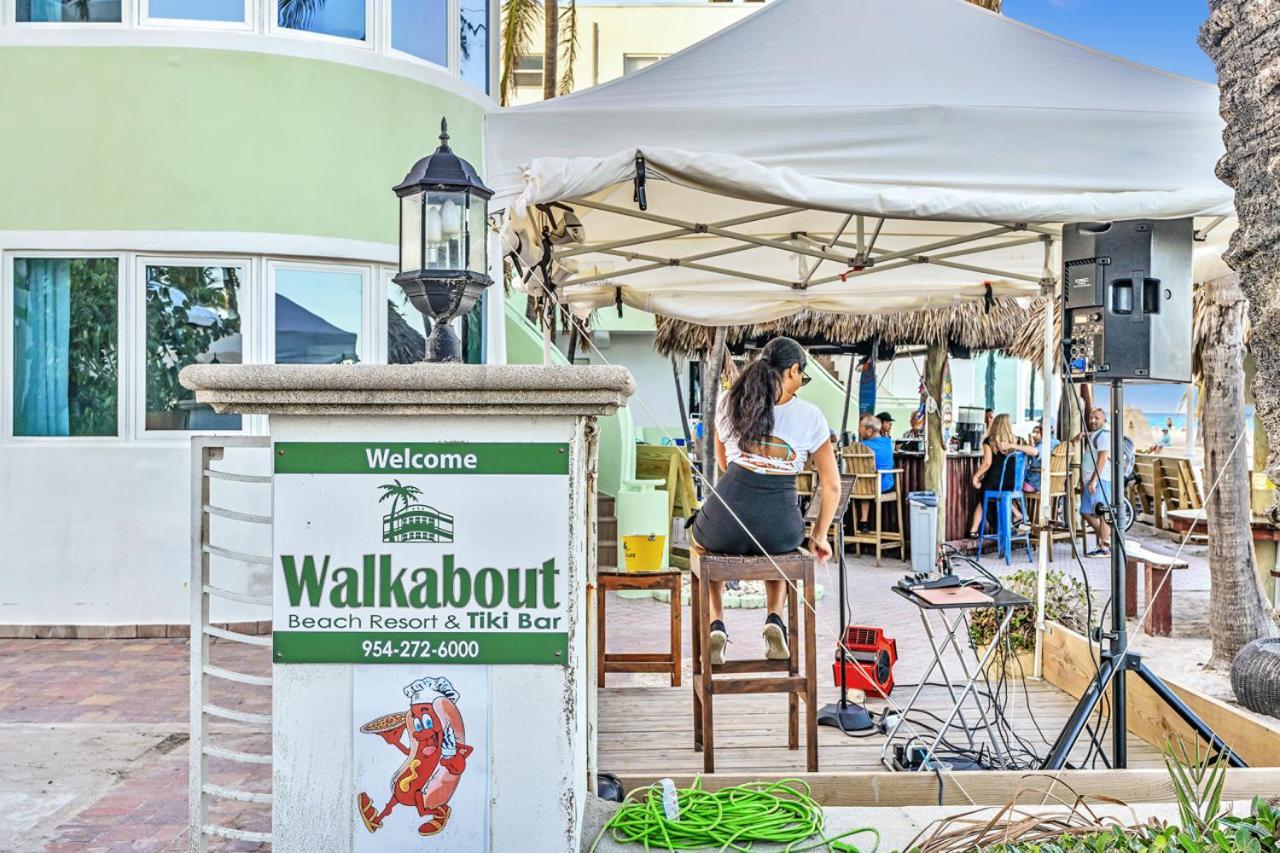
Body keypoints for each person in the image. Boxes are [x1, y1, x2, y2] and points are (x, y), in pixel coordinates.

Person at [692, 337, 841, 666]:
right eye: (803, 376)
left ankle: (716, 623)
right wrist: (819, 536)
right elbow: (831, 486)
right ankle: (774, 618)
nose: (802, 383)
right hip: (779, 527)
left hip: (726, 515)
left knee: (701, 544)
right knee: (780, 551)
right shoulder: (811, 415)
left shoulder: (729, 401)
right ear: (792, 370)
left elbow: (723, 464)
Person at [968, 414, 1038, 537]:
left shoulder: (989, 441)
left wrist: (976, 477)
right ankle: (1015, 516)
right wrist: (1013, 445)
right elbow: (1034, 451)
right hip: (1013, 483)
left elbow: (987, 463)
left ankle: (976, 530)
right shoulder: (1018, 440)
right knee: (993, 495)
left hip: (995, 482)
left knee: (983, 494)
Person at [854, 414, 896, 533]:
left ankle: (858, 523)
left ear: (869, 431)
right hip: (885, 485)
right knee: (866, 483)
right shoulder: (888, 443)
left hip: (866, 487)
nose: (858, 430)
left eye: (860, 428)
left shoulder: (861, 446)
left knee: (861, 484)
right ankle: (864, 521)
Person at [1080, 406, 1113, 556]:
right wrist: (1082, 435)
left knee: (1102, 512)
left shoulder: (1104, 435)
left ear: (1104, 420)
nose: (1092, 420)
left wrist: (1094, 480)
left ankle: (1105, 547)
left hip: (1100, 479)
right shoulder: (1096, 434)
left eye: (1096, 418)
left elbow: (1103, 458)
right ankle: (1106, 540)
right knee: (1086, 511)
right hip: (1090, 481)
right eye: (1091, 418)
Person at [1023, 424, 1060, 494]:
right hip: (1055, 481)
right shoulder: (1056, 441)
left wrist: (1032, 445)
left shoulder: (1044, 444)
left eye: (1037, 432)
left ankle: (1024, 504)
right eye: (1034, 432)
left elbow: (1035, 461)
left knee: (1017, 483)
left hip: (1037, 480)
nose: (1035, 434)